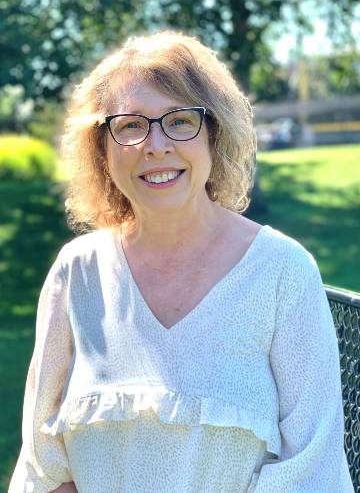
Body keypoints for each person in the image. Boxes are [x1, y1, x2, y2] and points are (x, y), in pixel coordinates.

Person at [8, 31, 354, 493]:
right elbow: (44, 467)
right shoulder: (76, 274)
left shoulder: (283, 273)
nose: (156, 145)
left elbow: (313, 471)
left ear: (214, 134)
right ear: (102, 150)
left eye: (180, 120)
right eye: (130, 125)